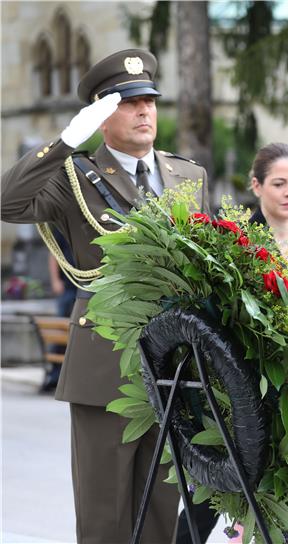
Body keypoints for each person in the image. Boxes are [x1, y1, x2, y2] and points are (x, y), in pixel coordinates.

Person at [1, 49, 209, 543]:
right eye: (128, 102)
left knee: (161, 510)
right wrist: (66, 141)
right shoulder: (71, 177)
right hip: (106, 364)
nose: (143, 111)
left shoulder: (188, 176)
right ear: (100, 114)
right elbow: (8, 202)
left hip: (172, 364)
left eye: (150, 101)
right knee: (104, 516)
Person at [174, 143, 288, 544]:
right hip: (243, 386)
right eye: (279, 183)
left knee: (278, 499)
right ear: (256, 186)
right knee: (211, 494)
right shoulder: (237, 244)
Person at [41, 229, 77, 393]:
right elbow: (53, 254)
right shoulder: (61, 226)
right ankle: (55, 375)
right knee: (60, 331)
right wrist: (55, 280)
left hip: (84, 286)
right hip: (67, 287)